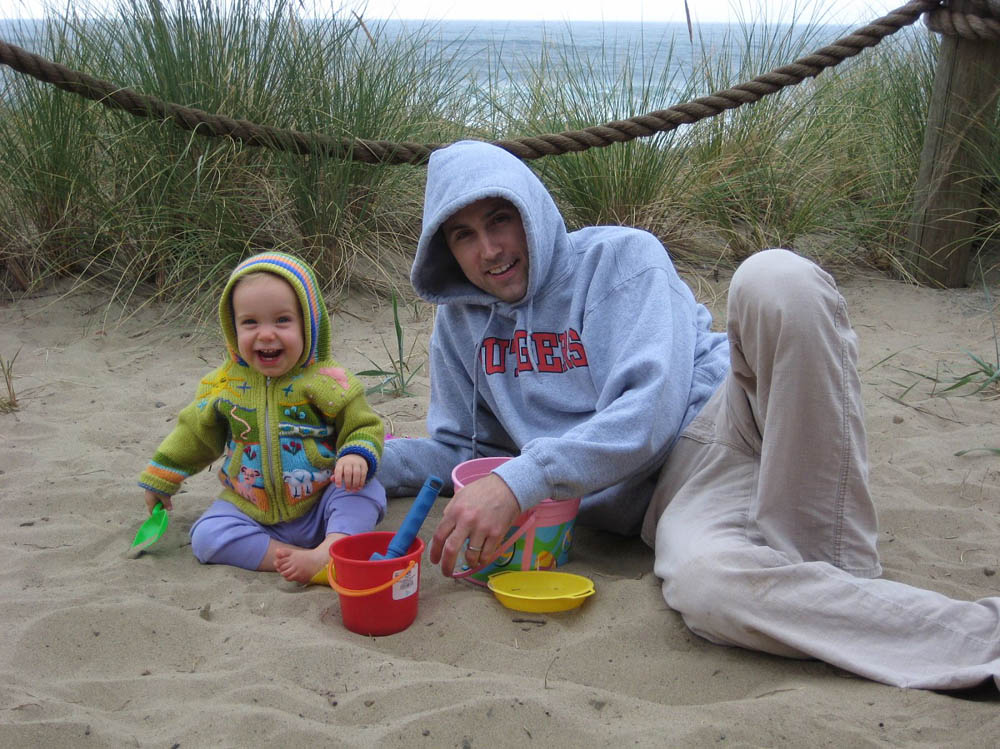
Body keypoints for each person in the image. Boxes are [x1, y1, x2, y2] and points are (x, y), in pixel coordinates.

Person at [378, 139, 1000, 690]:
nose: (490, 249)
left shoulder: (619, 258)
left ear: (530, 210)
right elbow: (463, 454)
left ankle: (832, 561)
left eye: (500, 218)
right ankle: (975, 640)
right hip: (677, 501)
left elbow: (648, 414)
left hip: (729, 418)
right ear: (445, 249)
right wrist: (356, 459)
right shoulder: (459, 325)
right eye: (463, 235)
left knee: (773, 280)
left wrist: (521, 481)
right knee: (706, 589)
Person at [138, 251, 386, 584]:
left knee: (365, 492)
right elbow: (195, 435)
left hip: (320, 502)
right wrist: (162, 476)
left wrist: (356, 453)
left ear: (308, 324)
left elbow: (363, 424)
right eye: (250, 323)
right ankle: (294, 558)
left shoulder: (328, 380)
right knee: (206, 536)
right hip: (251, 507)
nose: (266, 334)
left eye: (282, 320)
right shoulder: (224, 385)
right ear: (232, 328)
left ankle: (333, 546)